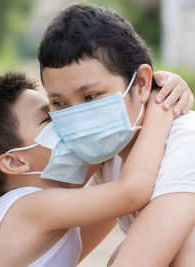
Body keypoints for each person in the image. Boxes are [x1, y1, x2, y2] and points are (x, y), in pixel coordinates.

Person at [0, 71, 178, 266]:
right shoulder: (28, 207)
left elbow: (108, 170)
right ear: (15, 162)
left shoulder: (46, 217)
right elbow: (131, 192)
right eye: (48, 119)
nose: (66, 121)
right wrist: (162, 103)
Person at [38, 3, 195, 266]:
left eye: (91, 97)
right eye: (61, 104)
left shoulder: (186, 145)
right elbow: (60, 254)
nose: (79, 118)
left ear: (143, 83)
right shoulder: (111, 154)